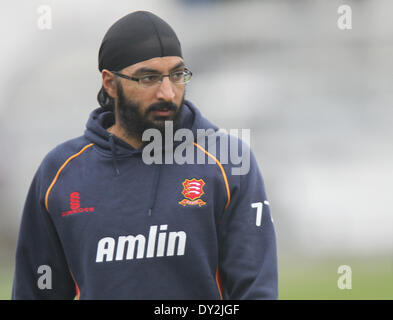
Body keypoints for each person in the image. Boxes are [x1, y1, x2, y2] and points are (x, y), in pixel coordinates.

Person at [12, 11, 278, 300]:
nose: (167, 92)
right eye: (149, 78)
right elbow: (35, 291)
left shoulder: (227, 162)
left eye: (177, 75)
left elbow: (255, 290)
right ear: (110, 83)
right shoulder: (60, 172)